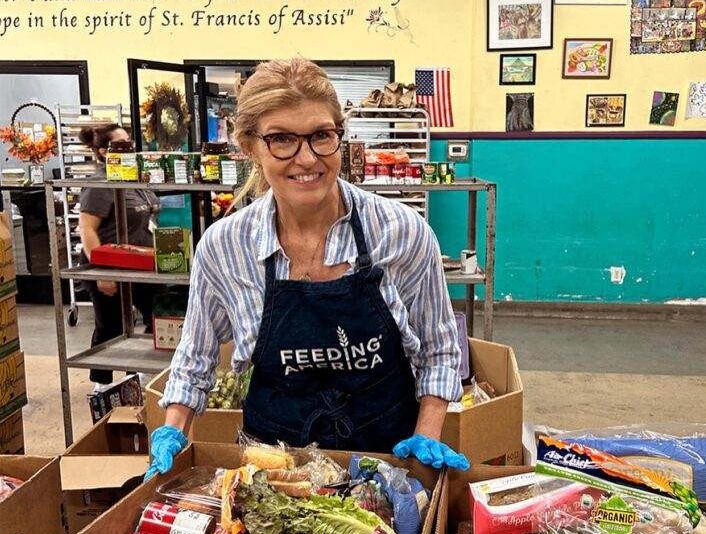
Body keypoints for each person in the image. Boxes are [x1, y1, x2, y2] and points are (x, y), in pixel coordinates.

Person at [147, 57, 468, 477]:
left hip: (389, 462)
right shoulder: (225, 248)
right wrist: (173, 433)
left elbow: (438, 349)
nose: (307, 158)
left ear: (340, 135)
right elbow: (194, 361)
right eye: (281, 139)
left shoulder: (401, 232)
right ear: (250, 147)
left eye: (321, 135)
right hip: (275, 473)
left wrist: (427, 435)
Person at [77, 123, 159, 389]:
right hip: (108, 268)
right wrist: (103, 271)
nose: (129, 149)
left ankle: (136, 379)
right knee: (110, 327)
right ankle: (100, 387)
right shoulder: (101, 184)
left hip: (140, 267)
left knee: (156, 317)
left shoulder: (134, 178)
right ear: (103, 152)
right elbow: (87, 229)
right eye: (121, 145)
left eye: (130, 143)